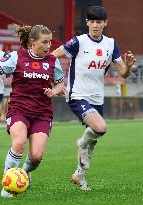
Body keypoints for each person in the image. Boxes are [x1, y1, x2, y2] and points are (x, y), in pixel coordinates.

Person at [0, 24, 67, 198]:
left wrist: (53, 91)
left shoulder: (53, 61)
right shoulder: (16, 57)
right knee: (19, 143)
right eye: (44, 42)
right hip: (19, 109)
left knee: (36, 156)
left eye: (49, 43)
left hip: (42, 112)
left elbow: (61, 83)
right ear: (32, 42)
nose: (48, 47)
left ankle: (23, 172)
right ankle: (8, 184)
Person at [52, 6, 136, 191]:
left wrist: (128, 66)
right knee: (100, 127)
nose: (96, 25)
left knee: (94, 140)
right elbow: (52, 57)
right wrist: (57, 82)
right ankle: (80, 143)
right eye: (93, 22)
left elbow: (123, 73)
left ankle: (79, 176)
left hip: (97, 97)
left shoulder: (111, 44)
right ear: (87, 22)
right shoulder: (78, 42)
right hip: (77, 95)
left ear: (105, 23)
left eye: (99, 22)